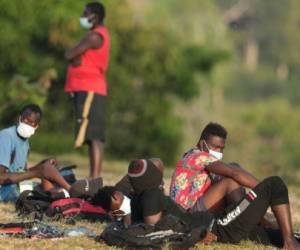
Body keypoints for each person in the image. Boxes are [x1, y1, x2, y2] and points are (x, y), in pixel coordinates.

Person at [93, 158, 300, 250]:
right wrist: (198, 234)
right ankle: (290, 244)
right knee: (274, 184)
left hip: (217, 225)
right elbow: (158, 232)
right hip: (217, 227)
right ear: (151, 177)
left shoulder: (140, 196)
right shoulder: (150, 196)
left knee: (271, 237)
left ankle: (289, 239)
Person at [170, 122, 260, 214]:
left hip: (195, 207)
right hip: (186, 213)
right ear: (202, 144)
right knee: (230, 182)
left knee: (234, 168)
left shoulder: (198, 158)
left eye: (221, 148)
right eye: (216, 147)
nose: (219, 151)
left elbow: (233, 170)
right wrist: (264, 187)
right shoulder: (198, 156)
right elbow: (234, 172)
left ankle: (253, 217)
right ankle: (246, 217)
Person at [64, 1, 110, 178]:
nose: (83, 17)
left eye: (86, 14)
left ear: (95, 17)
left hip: (91, 88)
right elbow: (74, 56)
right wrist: (75, 58)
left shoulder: (94, 36)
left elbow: (70, 54)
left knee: (95, 135)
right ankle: (94, 176)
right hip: (86, 88)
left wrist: (74, 57)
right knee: (90, 134)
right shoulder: (93, 35)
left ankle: (95, 177)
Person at [0, 104, 71, 202]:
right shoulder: (6, 136)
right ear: (20, 118)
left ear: (36, 126)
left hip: (18, 185)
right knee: (42, 196)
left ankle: (66, 195)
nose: (28, 125)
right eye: (26, 121)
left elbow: (22, 172)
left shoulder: (25, 143)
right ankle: (71, 191)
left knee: (48, 171)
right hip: (5, 190)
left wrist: (41, 165)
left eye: (32, 123)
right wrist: (37, 172)